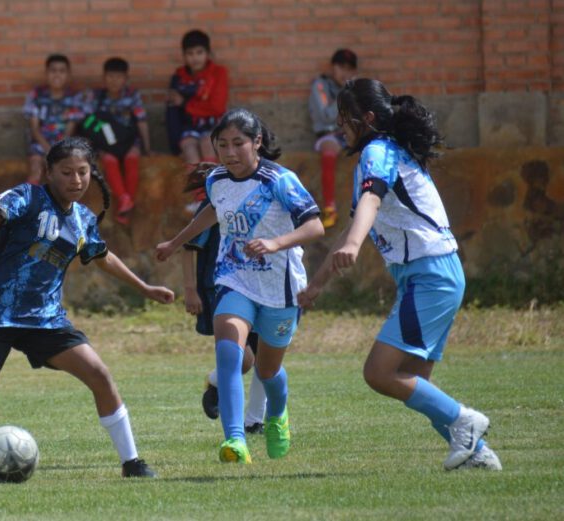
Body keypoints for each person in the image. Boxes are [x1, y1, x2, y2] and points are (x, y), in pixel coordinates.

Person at [0, 137, 174, 478]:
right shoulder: (26, 198)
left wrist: (145, 288)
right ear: (48, 171)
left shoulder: (83, 219)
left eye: (82, 172)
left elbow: (102, 257)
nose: (76, 180)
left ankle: (132, 463)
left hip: (45, 320)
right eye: (66, 172)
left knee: (99, 374)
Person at [298, 78, 502, 471]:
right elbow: (358, 218)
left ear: (367, 118)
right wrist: (317, 284)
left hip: (431, 275)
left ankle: (465, 421)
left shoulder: (377, 151)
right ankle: (477, 454)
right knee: (411, 377)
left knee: (379, 373)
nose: (339, 126)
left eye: (344, 117)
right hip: (433, 274)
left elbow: (371, 199)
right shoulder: (385, 151)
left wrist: (354, 244)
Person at [156, 109, 324, 464]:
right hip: (234, 278)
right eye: (222, 145)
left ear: (257, 142)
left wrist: (275, 243)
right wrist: (175, 242)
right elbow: (212, 212)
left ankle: (277, 415)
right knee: (229, 354)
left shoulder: (280, 180)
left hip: (279, 289)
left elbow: (315, 226)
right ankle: (235, 440)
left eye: (238, 144)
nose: (230, 153)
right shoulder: (217, 179)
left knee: (267, 370)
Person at [181, 172, 267, 432]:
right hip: (223, 287)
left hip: (262, 287)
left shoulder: (270, 193)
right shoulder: (219, 200)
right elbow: (188, 245)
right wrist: (190, 290)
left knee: (266, 357)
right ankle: (215, 382)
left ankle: (255, 421)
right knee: (245, 360)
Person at [82, 57, 152, 225]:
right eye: (110, 76)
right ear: (103, 78)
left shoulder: (132, 96)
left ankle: (127, 203)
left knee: (132, 158)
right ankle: (124, 199)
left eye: (119, 77)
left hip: (129, 140)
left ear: (126, 79)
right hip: (105, 144)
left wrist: (147, 147)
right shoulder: (96, 96)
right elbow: (86, 123)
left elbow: (141, 121)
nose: (114, 81)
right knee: (109, 160)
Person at [166, 29, 228, 213]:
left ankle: (215, 195)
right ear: (184, 56)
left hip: (213, 124)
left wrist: (186, 104)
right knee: (189, 148)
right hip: (189, 126)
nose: (195, 58)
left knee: (207, 144)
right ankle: (201, 198)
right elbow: (172, 111)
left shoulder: (218, 73)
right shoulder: (179, 77)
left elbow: (217, 107)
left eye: (199, 52)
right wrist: (175, 143)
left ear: (208, 53)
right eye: (190, 54)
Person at [308, 49, 358, 229]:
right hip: (328, 134)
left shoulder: (356, 88)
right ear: (332, 68)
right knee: (329, 149)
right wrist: (345, 94)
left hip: (351, 133)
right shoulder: (320, 86)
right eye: (341, 67)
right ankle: (329, 207)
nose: (345, 73)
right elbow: (327, 115)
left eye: (349, 69)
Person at [23, 54, 84, 184]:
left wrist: (56, 151)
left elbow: (69, 130)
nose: (57, 75)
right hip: (40, 143)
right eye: (53, 70)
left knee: (65, 175)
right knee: (36, 170)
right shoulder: (36, 95)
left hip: (64, 144)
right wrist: (48, 149)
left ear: (68, 74)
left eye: (62, 71)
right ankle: (29, 197)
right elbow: (35, 129)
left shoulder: (74, 97)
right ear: (46, 73)